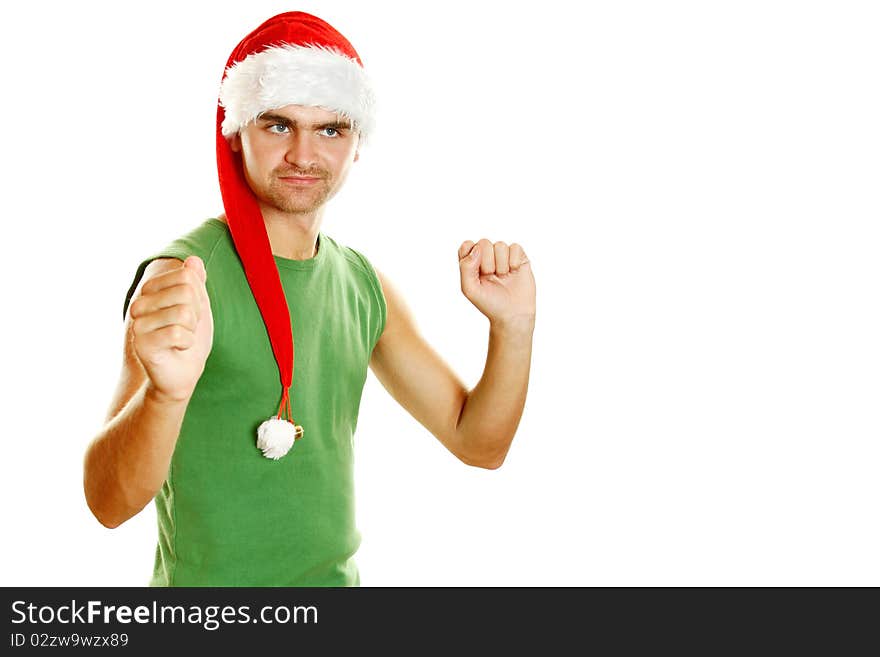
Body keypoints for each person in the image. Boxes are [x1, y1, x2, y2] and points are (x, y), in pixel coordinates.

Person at [83, 11, 536, 586]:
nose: (303, 153)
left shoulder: (362, 284)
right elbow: (107, 503)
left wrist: (513, 329)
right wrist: (164, 397)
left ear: (357, 144)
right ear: (236, 130)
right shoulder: (184, 276)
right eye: (277, 125)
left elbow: (479, 443)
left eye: (330, 129)